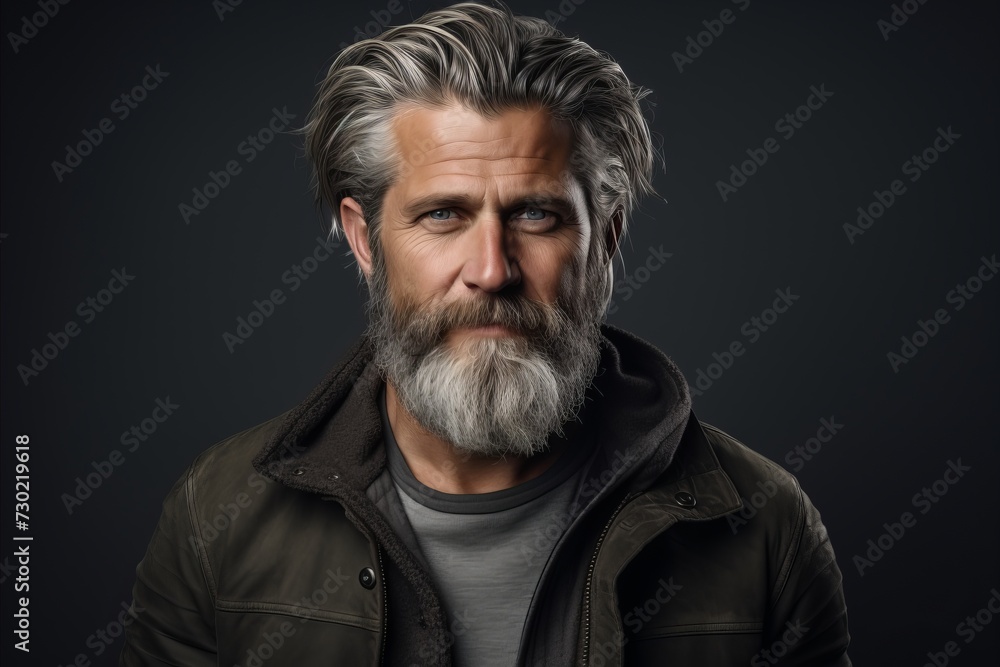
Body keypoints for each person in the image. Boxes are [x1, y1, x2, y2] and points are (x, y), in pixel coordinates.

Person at [120, 2, 851, 665]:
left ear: (607, 239)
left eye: (537, 215)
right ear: (364, 240)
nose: (492, 270)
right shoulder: (216, 516)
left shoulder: (762, 527)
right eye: (442, 214)